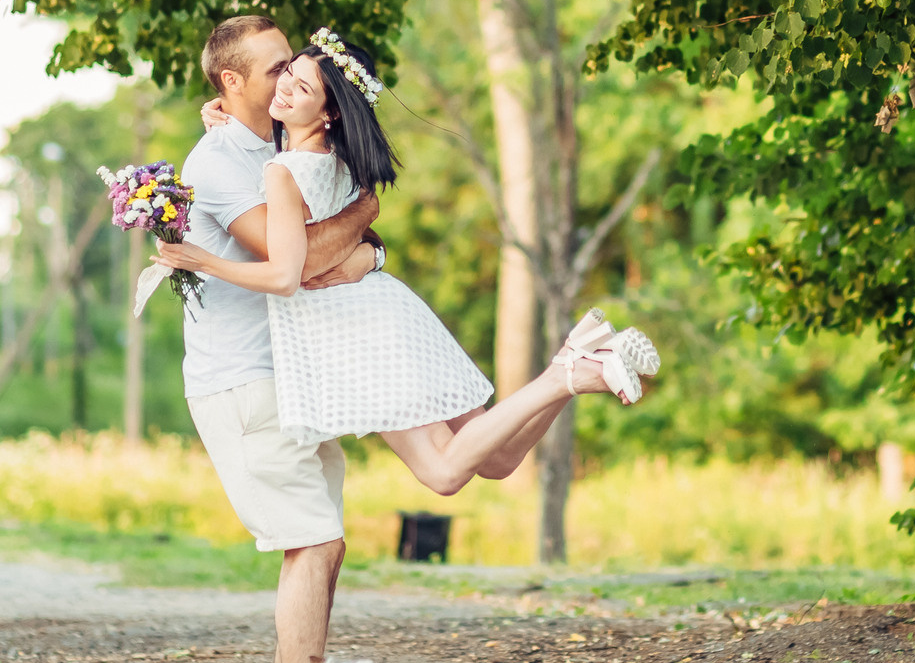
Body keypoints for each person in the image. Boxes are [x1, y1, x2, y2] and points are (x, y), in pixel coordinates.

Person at [159, 28, 658, 496]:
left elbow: (288, 274)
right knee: (500, 460)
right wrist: (224, 114)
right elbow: (336, 216)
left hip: (355, 331)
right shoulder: (337, 155)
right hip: (388, 308)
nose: (283, 88)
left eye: (298, 83)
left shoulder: (281, 170)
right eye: (283, 75)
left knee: (443, 473)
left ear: (328, 111)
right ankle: (576, 356)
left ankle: (567, 373)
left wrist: (201, 259)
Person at [175, 14, 395, 663]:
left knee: (322, 549)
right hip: (242, 380)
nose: (291, 80)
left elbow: (319, 239)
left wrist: (362, 240)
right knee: (313, 540)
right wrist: (365, 215)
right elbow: (290, 260)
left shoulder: (266, 142)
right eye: (274, 69)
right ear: (231, 82)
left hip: (296, 373)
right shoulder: (219, 161)